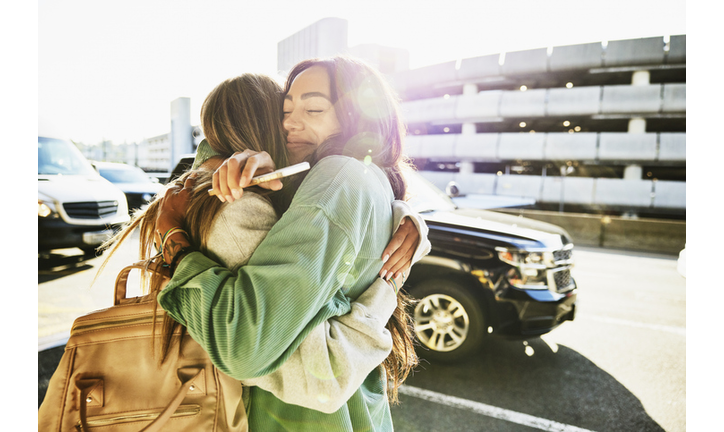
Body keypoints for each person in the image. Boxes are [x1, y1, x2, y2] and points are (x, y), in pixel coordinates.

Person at [100, 71, 428, 420]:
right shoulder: (240, 205)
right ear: (268, 125)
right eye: (284, 115)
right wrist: (387, 287)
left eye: (309, 111)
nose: (292, 125)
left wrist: (407, 220)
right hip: (289, 416)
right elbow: (312, 370)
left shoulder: (267, 187)